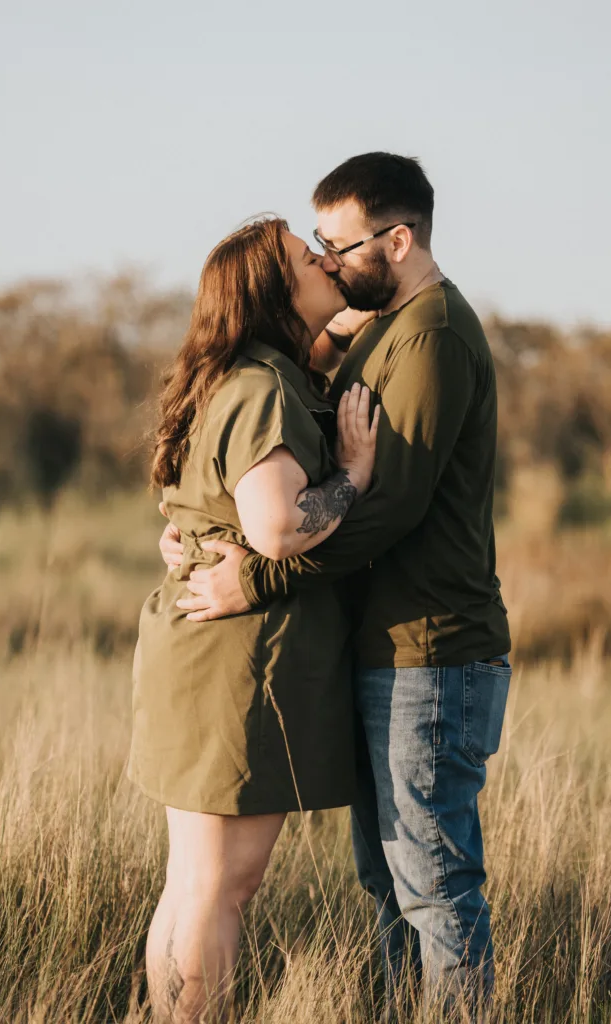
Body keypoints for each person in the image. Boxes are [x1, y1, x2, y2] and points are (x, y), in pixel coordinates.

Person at [160, 153, 512, 1019]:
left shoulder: (428, 334)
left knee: (429, 884)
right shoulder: (371, 331)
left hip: (429, 649)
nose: (325, 257)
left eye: (335, 242)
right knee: (388, 883)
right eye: (311, 246)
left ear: (397, 241)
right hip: (381, 647)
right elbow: (258, 449)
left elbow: (388, 505)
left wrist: (259, 578)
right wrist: (203, 532)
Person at [129, 215, 379, 1023]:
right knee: (222, 886)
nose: (329, 263)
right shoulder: (262, 384)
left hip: (202, 644)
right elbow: (277, 527)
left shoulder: (245, 373)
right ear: (275, 291)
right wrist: (355, 476)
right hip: (234, 655)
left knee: (198, 881)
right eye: (312, 259)